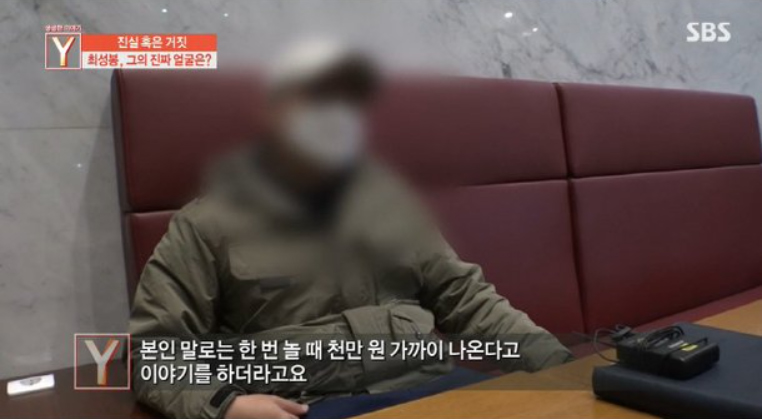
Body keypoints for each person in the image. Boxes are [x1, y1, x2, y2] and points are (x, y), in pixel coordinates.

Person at [128, 40, 573, 419]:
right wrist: (225, 405)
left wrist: (562, 370)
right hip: (308, 405)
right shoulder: (206, 225)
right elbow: (153, 354)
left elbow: (467, 300)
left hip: (429, 384)